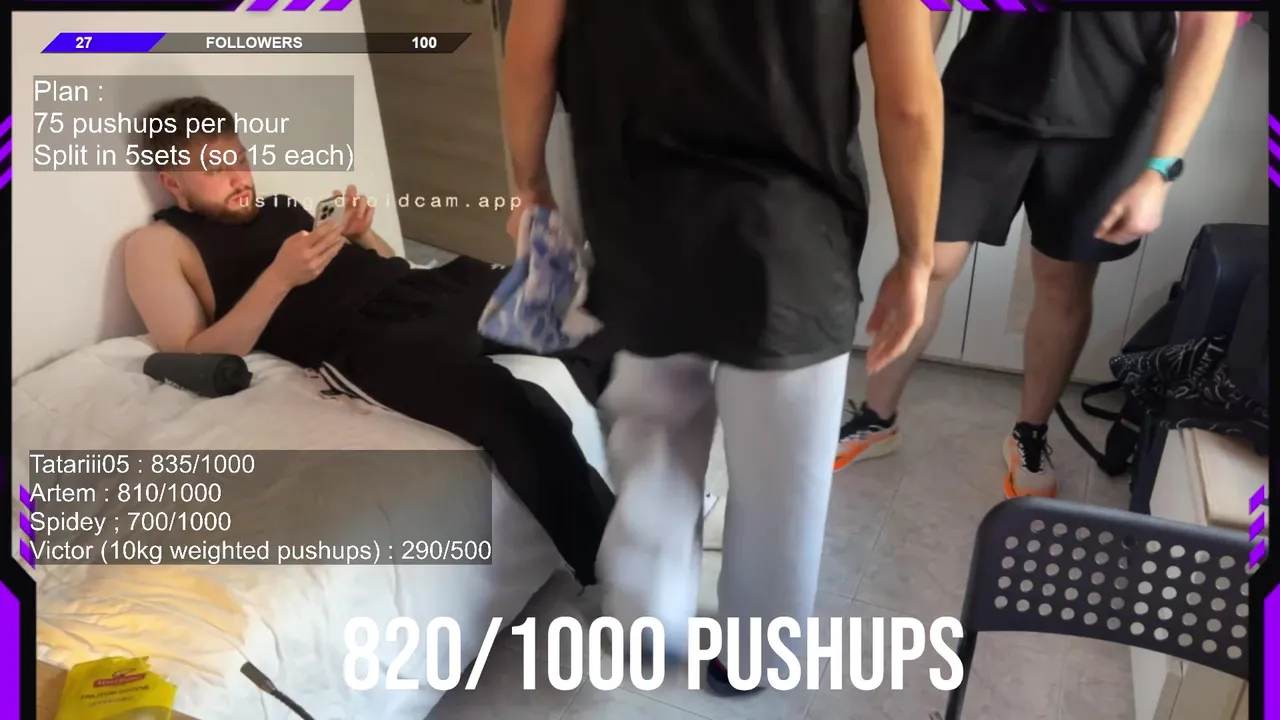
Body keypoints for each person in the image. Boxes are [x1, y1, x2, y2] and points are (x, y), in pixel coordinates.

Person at [503, 0, 943, 694]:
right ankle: (757, 655)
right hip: (790, 243)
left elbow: (529, 53)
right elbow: (910, 99)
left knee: (652, 431)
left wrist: (531, 186)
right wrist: (916, 257)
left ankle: (647, 615)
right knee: (783, 480)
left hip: (639, 225)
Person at [123, 96, 616, 584]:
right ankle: (615, 566)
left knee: (592, 312)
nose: (239, 178)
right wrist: (279, 279)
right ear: (173, 181)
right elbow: (190, 354)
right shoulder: (159, 244)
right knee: (516, 413)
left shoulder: (281, 207)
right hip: (367, 337)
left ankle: (652, 471)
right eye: (215, 168)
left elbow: (388, 264)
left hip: (424, 289)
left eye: (240, 159)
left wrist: (361, 236)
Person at [836, 11, 1240, 499]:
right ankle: (876, 417)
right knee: (927, 263)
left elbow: (1209, 28)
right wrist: (904, 100)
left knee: (1063, 282)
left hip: (1110, 122)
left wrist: (1161, 169)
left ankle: (1029, 432)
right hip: (979, 99)